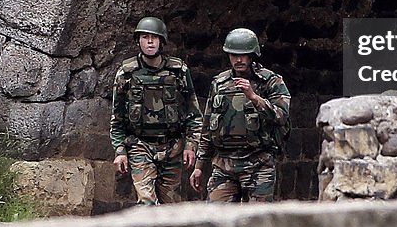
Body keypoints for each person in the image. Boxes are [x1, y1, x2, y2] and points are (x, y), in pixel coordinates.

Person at [189, 27, 291, 202]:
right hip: (224, 164)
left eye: (243, 55)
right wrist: (199, 166)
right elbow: (207, 127)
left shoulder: (270, 81)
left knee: (258, 223)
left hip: (259, 163)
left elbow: (281, 116)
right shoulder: (219, 84)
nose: (238, 59)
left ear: (252, 55)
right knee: (215, 220)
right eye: (234, 55)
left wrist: (253, 97)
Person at [110, 16, 202, 204]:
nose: (150, 42)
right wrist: (120, 151)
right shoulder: (127, 73)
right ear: (138, 41)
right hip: (140, 145)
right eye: (145, 37)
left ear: (162, 41)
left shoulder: (178, 71)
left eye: (154, 37)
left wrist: (191, 146)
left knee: (170, 206)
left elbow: (194, 115)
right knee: (146, 203)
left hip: (173, 147)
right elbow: (117, 118)